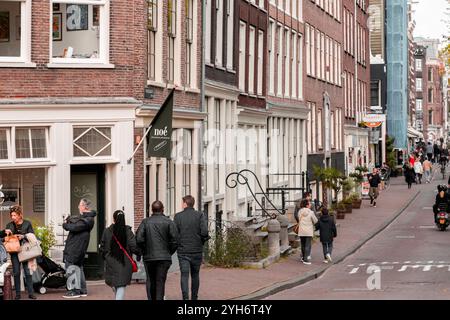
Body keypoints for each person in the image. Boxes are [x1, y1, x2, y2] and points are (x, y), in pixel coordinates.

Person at [136, 201, 178, 301]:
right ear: (162, 209)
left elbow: (139, 238)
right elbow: (175, 240)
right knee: (160, 281)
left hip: (149, 257)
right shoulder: (169, 222)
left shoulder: (145, 222)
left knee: (150, 280)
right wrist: (169, 251)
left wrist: (145, 249)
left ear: (152, 210)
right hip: (164, 257)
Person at [174, 195, 209, 300]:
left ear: (185, 203)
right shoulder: (199, 215)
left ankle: (185, 298)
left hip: (183, 251)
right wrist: (201, 241)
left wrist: (178, 243)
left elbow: (174, 233)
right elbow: (204, 232)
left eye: (182, 203)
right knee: (195, 275)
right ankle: (194, 297)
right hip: (196, 250)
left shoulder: (178, 216)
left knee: (184, 275)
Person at [100, 210, 141, 300]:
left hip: (111, 263)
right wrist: (139, 253)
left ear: (114, 219)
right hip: (124, 263)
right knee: (121, 285)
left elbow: (102, 247)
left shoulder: (107, 231)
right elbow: (134, 246)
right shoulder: (128, 232)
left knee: (116, 285)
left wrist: (105, 257)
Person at [62, 198, 96, 299]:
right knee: (78, 268)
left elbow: (74, 227)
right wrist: (69, 220)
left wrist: (65, 224)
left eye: (79, 205)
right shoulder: (85, 218)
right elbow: (76, 223)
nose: (78, 207)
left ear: (84, 206)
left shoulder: (88, 220)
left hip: (76, 248)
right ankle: (82, 290)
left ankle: (74, 291)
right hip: (78, 247)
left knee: (71, 268)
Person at [4, 205, 36, 300]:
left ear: (20, 215)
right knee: (16, 272)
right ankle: (18, 294)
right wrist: (9, 234)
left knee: (27, 272)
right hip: (14, 252)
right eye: (12, 215)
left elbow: (32, 235)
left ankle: (31, 293)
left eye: (14, 215)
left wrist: (23, 236)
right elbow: (6, 239)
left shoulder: (27, 223)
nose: (13, 217)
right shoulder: (9, 225)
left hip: (25, 251)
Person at [296, 199, 318, 265]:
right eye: (309, 204)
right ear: (307, 205)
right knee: (308, 245)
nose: (310, 205)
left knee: (303, 244)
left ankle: (303, 257)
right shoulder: (311, 212)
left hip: (301, 230)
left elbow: (298, 218)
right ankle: (306, 259)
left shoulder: (300, 211)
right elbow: (315, 220)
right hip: (308, 231)